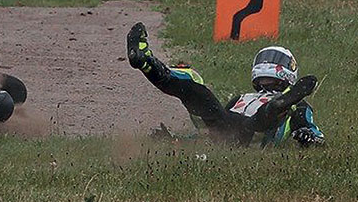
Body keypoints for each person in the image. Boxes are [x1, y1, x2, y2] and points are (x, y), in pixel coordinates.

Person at [126, 22, 324, 147]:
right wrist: (177, 141)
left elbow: (314, 133)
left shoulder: (298, 105)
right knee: (194, 83)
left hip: (259, 132)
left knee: (267, 114)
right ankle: (148, 63)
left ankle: (276, 107)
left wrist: (306, 135)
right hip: (231, 130)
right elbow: (215, 123)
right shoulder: (243, 98)